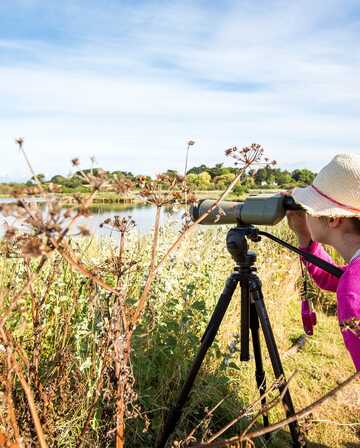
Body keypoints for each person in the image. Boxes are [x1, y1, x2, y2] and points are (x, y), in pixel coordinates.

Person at [285, 153, 360, 371]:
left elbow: (350, 285)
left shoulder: (352, 290)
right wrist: (305, 238)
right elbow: (335, 277)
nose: (305, 213)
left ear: (332, 219)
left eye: (310, 208)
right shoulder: (354, 276)